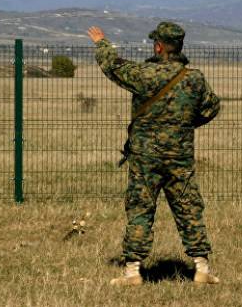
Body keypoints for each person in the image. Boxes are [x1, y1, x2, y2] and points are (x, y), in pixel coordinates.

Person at [87, 22, 221, 286]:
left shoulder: (145, 75)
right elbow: (211, 108)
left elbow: (114, 66)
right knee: (188, 207)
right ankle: (202, 268)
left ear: (158, 46)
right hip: (179, 156)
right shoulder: (193, 79)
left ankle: (132, 272)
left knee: (140, 208)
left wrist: (101, 42)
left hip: (144, 157)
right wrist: (182, 124)